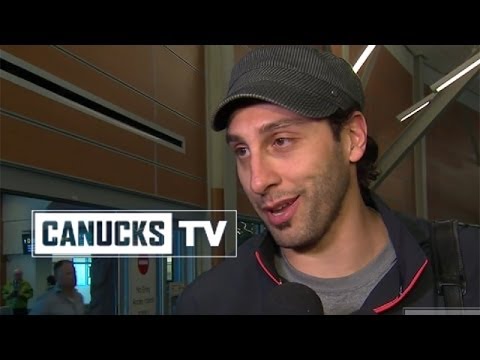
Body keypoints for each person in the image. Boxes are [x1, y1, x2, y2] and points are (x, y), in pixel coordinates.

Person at [175, 45, 480, 315]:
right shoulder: (209, 303)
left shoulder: (469, 265)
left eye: (281, 141)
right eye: (242, 150)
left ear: (352, 138)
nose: (257, 181)